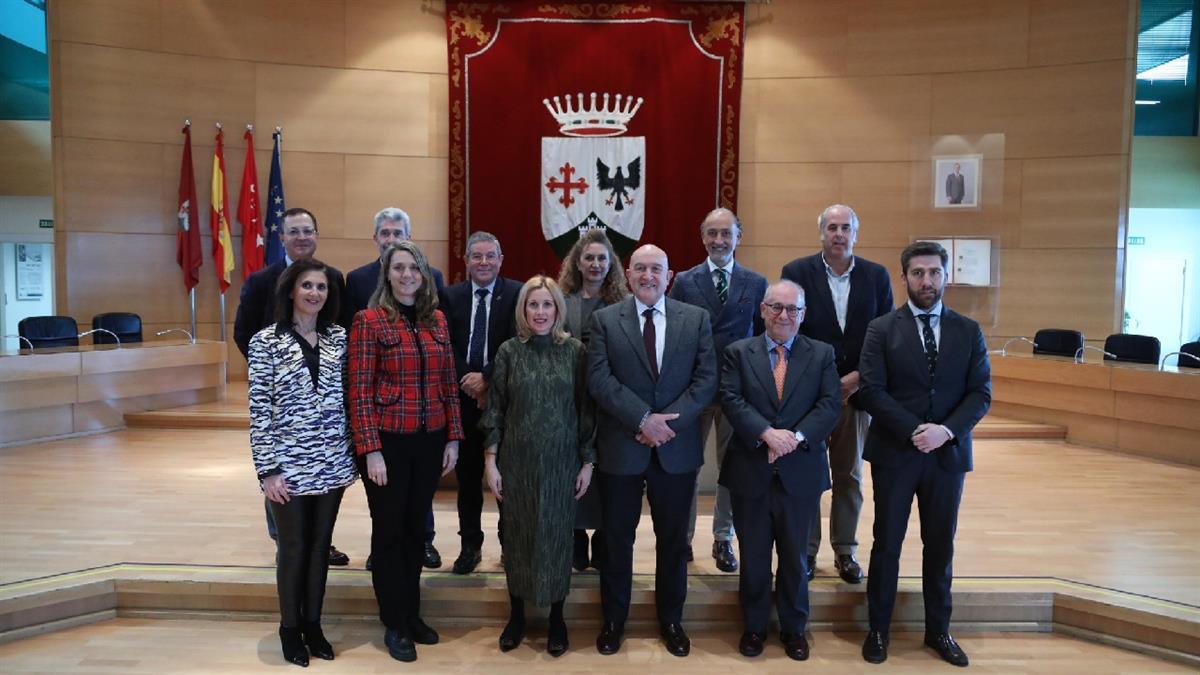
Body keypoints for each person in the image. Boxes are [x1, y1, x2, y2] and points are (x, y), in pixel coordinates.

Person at [857, 241, 991, 667]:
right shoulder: (881, 329)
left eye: (934, 272)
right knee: (887, 544)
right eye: (918, 273)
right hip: (896, 452)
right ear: (905, 278)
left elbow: (980, 393)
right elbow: (872, 391)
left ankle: (939, 631)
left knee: (940, 545)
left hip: (947, 457)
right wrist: (916, 430)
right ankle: (877, 630)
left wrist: (946, 431)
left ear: (945, 275)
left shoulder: (968, 331)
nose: (927, 281)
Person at [587, 244, 717, 658]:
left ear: (670, 275)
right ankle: (614, 621)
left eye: (655, 269)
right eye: (640, 268)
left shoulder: (695, 320)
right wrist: (643, 420)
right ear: (627, 274)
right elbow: (599, 380)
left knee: (673, 541)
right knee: (616, 539)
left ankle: (671, 620)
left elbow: (706, 380)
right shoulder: (605, 320)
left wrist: (664, 425)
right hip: (621, 448)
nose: (648, 276)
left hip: (675, 450)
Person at [348, 241, 463, 663]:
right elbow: (358, 393)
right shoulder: (369, 321)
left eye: (413, 268)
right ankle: (394, 621)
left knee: (417, 532)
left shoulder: (436, 321)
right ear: (387, 274)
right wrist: (371, 450)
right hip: (388, 446)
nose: (407, 275)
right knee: (390, 534)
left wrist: (453, 437)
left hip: (429, 440)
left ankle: (412, 612)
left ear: (423, 273)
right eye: (399, 268)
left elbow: (449, 383)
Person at [719, 280, 841, 661]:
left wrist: (795, 438)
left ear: (803, 314)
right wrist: (767, 434)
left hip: (800, 471)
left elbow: (829, 404)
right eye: (776, 307)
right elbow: (731, 399)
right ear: (762, 310)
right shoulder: (738, 352)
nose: (783, 315)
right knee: (754, 556)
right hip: (750, 469)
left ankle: (794, 628)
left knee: (795, 557)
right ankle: (754, 627)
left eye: (791, 309)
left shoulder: (821, 354)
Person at [248, 258, 357, 667]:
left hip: (331, 464)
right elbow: (259, 410)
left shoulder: (339, 338)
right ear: (291, 290)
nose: (315, 293)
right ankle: (289, 629)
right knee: (292, 549)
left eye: (322, 287)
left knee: (318, 548)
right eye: (308, 286)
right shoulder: (265, 342)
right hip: (288, 468)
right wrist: (267, 469)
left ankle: (314, 624)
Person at [481, 275, 596, 657]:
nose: (541, 312)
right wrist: (491, 461)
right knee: (516, 536)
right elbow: (496, 409)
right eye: (534, 305)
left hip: (563, 463)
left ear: (558, 310)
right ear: (523, 310)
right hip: (517, 462)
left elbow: (585, 412)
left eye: (547, 305)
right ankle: (516, 615)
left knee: (558, 538)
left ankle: (557, 618)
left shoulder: (575, 352)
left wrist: (587, 463)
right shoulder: (509, 352)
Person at [781, 204, 893, 585]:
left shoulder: (876, 276)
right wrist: (827, 382)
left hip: (856, 394)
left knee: (849, 474)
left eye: (846, 228)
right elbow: (789, 331)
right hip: (810, 395)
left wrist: (857, 379)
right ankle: (806, 552)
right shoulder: (797, 272)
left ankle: (845, 550)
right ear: (821, 233)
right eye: (832, 227)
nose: (839, 234)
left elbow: (887, 336)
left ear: (855, 234)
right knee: (809, 475)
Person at [234, 206, 351, 568]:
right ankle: (284, 541)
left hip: (323, 413)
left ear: (317, 236)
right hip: (282, 404)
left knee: (321, 488)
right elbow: (244, 333)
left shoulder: (332, 277)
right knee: (282, 484)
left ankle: (320, 544)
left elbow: (337, 330)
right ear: (281, 237)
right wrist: (277, 372)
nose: (302, 237)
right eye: (294, 231)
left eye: (308, 231)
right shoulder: (259, 281)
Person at [344, 207, 445, 571]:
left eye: (397, 233)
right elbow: (358, 377)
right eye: (384, 233)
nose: (390, 239)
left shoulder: (433, 294)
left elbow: (442, 368)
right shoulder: (358, 285)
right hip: (387, 424)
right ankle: (392, 593)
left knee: (417, 513)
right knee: (388, 519)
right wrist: (369, 446)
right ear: (376, 239)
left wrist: (451, 435)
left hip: (426, 425)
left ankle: (422, 549)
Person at [668, 207, 767, 573]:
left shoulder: (756, 283)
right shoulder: (685, 282)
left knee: (732, 468)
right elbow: (677, 339)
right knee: (686, 467)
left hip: (737, 392)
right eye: (712, 233)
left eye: (726, 233)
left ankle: (723, 538)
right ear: (702, 237)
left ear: (739, 236)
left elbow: (760, 340)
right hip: (694, 389)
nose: (719, 240)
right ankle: (682, 537)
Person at [440, 232, 523, 574]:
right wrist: (469, 380)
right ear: (467, 260)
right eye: (477, 256)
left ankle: (509, 545)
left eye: (490, 256)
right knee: (469, 479)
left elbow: (519, 341)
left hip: (504, 400)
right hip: (462, 401)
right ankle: (469, 545)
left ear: (501, 259)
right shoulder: (451, 296)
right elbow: (444, 343)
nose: (484, 262)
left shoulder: (518, 294)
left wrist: (487, 378)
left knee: (505, 478)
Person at [556, 228, 628, 572]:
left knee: (604, 471)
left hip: (608, 400)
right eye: (589, 258)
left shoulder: (623, 304)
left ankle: (601, 540)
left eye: (602, 258)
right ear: (577, 263)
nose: (596, 264)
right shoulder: (560, 298)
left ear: (611, 263)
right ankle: (573, 540)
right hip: (569, 397)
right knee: (573, 468)